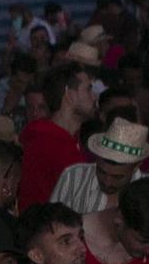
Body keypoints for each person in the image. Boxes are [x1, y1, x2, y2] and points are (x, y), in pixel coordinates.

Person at [17, 64, 98, 210]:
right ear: (69, 95)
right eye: (88, 89)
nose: (94, 96)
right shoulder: (58, 148)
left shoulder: (50, 139)